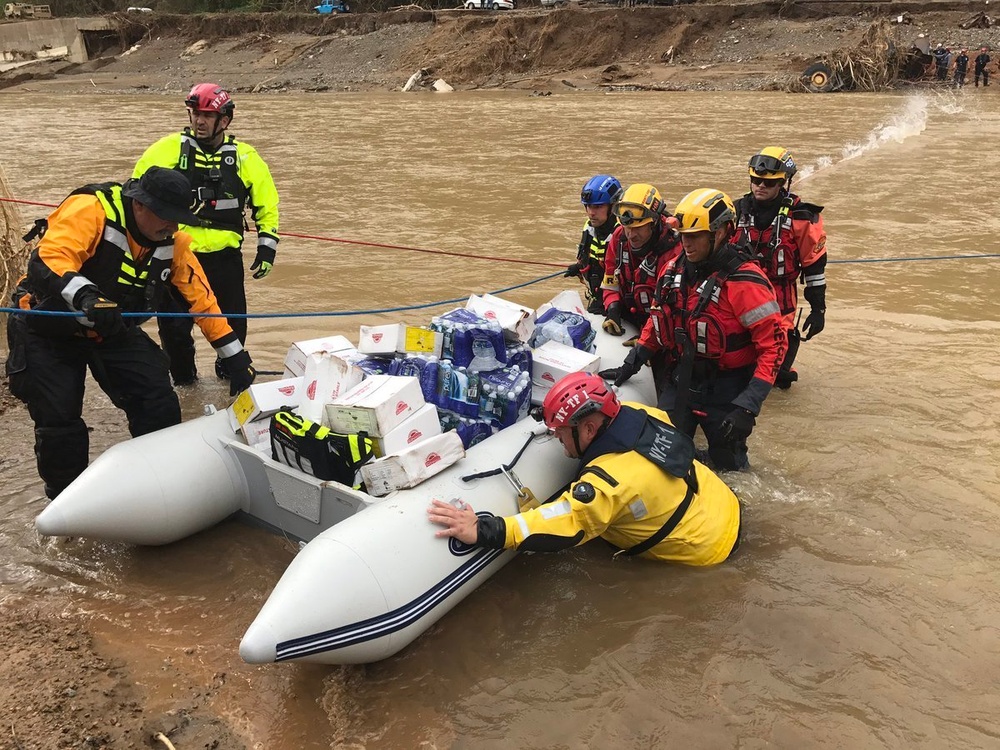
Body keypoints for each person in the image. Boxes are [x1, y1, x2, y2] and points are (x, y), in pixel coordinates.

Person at [4, 167, 256, 500]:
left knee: (158, 400)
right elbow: (49, 260)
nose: (172, 226)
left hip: (111, 331)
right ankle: (65, 503)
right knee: (60, 422)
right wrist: (86, 296)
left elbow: (204, 304)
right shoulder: (92, 210)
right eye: (165, 216)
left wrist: (236, 360)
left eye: (178, 218)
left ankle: (157, 487)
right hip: (46, 328)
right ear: (139, 205)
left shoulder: (174, 243)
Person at [427, 372, 741, 565]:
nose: (559, 442)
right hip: (723, 504)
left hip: (706, 548)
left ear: (589, 429)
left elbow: (569, 522)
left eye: (561, 433)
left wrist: (485, 530)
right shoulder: (641, 413)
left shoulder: (607, 484)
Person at [601, 189, 786, 472]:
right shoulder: (674, 270)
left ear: (722, 231)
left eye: (695, 236)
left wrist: (748, 406)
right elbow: (658, 320)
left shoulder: (746, 282)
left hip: (728, 389)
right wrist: (632, 363)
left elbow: (773, 347)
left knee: (730, 466)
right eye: (683, 235)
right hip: (681, 379)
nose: (686, 243)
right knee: (660, 455)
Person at [134, 83, 279, 386]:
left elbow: (267, 203)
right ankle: (185, 385)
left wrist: (267, 247)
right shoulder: (166, 149)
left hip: (225, 259)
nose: (199, 121)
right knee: (174, 332)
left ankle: (230, 378)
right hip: (175, 257)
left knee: (233, 327)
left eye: (207, 115)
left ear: (224, 120)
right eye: (195, 113)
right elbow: (136, 196)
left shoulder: (245, 157)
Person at [734, 147, 826, 389]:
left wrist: (819, 310)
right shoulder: (734, 213)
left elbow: (815, 267)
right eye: (756, 180)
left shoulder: (802, 218)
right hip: (740, 300)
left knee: (777, 377)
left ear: (783, 184)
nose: (760, 186)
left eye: (768, 182)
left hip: (780, 303)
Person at [600, 183, 681, 340]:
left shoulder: (674, 252)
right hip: (630, 320)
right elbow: (610, 281)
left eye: (638, 228)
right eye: (627, 227)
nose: (631, 234)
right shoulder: (619, 238)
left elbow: (672, 310)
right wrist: (613, 308)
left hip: (661, 332)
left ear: (654, 222)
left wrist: (647, 341)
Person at [563, 174, 622, 315]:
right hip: (597, 299)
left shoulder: (625, 236)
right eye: (588, 206)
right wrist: (579, 267)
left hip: (619, 305)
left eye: (597, 207)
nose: (591, 212)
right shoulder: (589, 228)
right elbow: (593, 257)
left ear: (613, 206)